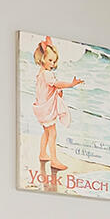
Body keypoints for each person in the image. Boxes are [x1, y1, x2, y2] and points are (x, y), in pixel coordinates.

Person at [29, 36, 82, 187]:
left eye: (54, 61)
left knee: (46, 132)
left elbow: (46, 89)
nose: (52, 64)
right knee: (52, 133)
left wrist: (56, 92)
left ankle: (42, 153)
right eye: (50, 60)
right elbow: (56, 84)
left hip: (41, 107)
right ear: (43, 59)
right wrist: (71, 84)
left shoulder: (40, 72)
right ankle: (54, 160)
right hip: (46, 109)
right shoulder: (46, 74)